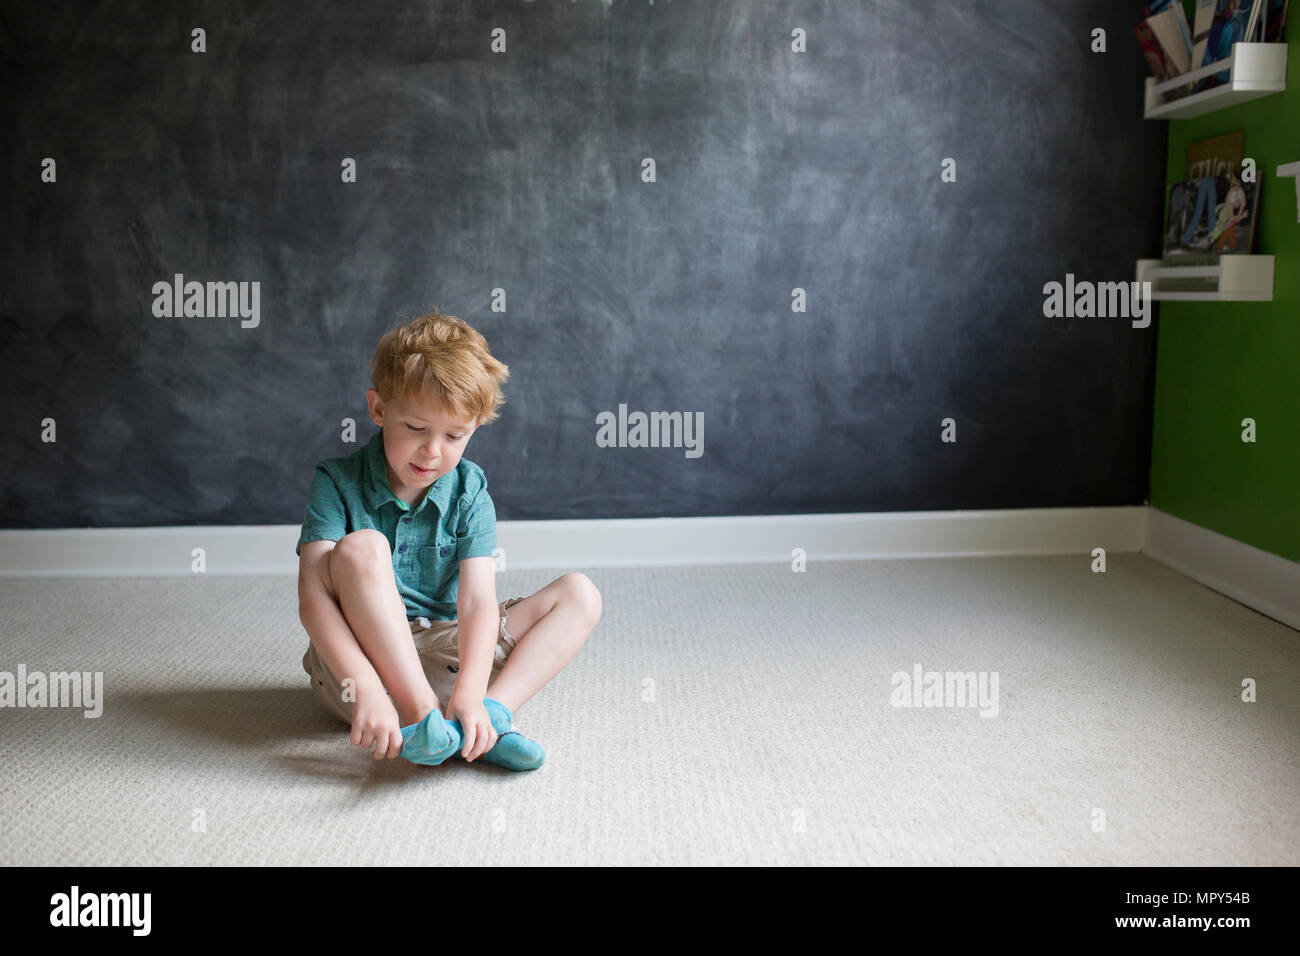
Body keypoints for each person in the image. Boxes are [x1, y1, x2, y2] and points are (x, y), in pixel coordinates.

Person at [295, 310, 601, 771]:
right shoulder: (335, 481)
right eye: (415, 428)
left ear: (473, 428)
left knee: (580, 593)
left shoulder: (469, 487)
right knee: (364, 547)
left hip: (447, 656)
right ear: (379, 409)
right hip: (361, 668)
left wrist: (472, 694)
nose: (432, 451)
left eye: (454, 435)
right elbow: (313, 599)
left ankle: (485, 721)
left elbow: (478, 603)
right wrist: (367, 689)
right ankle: (419, 717)